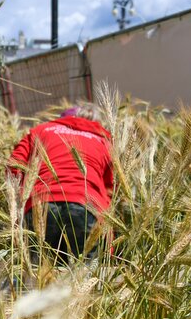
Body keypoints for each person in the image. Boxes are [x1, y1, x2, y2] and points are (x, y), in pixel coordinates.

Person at [7, 104, 114, 262]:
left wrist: (20, 202)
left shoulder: (41, 130)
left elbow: (13, 167)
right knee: (84, 278)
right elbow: (110, 191)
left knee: (37, 280)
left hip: (40, 205)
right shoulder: (105, 142)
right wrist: (109, 241)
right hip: (86, 209)